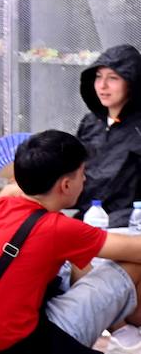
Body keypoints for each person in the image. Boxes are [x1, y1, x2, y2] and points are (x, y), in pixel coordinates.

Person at [0, 130, 141, 354]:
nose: (85, 179)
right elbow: (135, 251)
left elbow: (11, 186)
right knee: (129, 265)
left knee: (79, 262)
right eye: (82, 173)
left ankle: (128, 340)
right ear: (65, 185)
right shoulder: (57, 228)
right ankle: (129, 343)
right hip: (25, 351)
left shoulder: (2, 205)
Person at [75, 45, 141, 227]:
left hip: (127, 222)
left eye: (113, 78)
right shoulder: (90, 122)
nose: (103, 86)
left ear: (132, 83)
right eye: (98, 77)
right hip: (88, 215)